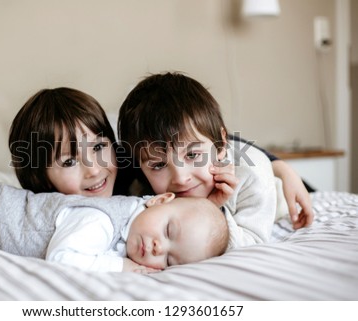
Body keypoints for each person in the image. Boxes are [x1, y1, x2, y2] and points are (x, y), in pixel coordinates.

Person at [117, 72, 314, 247]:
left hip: (276, 191)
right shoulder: (142, 179)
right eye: (159, 165)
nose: (180, 178)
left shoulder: (251, 176)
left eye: (193, 155)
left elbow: (252, 243)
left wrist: (213, 210)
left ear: (220, 144)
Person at [0, 183, 228, 273]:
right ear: (159, 200)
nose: (159, 248)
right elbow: (62, 258)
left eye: (170, 261)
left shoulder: (137, 229)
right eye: (169, 233)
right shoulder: (101, 220)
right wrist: (121, 266)